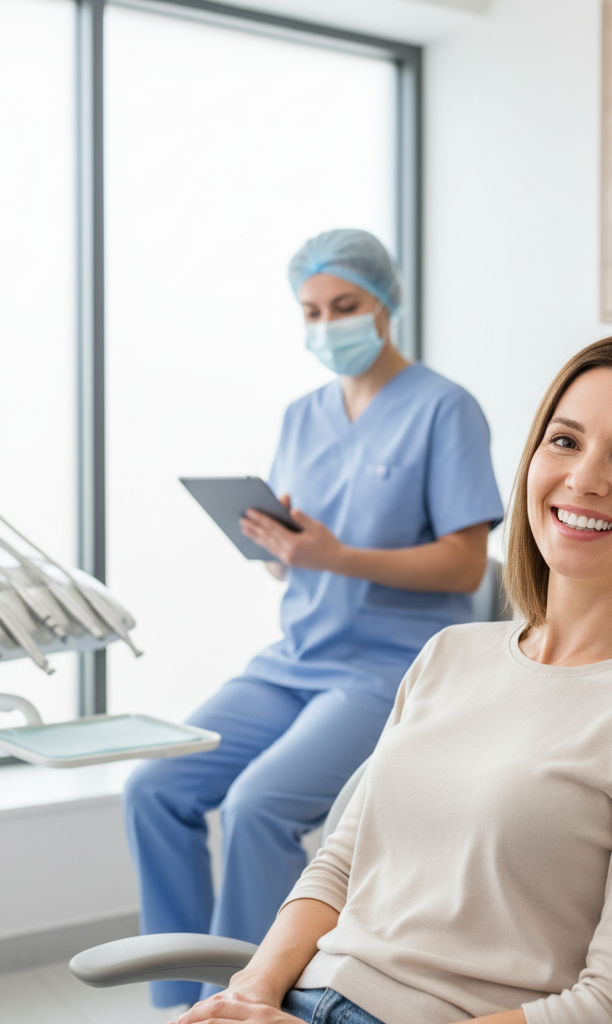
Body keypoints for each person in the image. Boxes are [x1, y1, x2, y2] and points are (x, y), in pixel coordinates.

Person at [175, 334, 612, 1024]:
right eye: (564, 442)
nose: (585, 479)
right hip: (299, 998)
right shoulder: (450, 653)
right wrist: (250, 992)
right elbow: (341, 865)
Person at [125, 228, 505, 1010]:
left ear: (385, 303)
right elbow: (303, 550)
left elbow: (467, 567)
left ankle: (253, 999)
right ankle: (176, 1002)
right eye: (311, 309)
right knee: (153, 786)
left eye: (345, 305)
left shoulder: (444, 409)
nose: (327, 324)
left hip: (389, 664)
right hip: (293, 657)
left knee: (259, 805)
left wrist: (335, 557)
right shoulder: (302, 414)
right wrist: (279, 547)